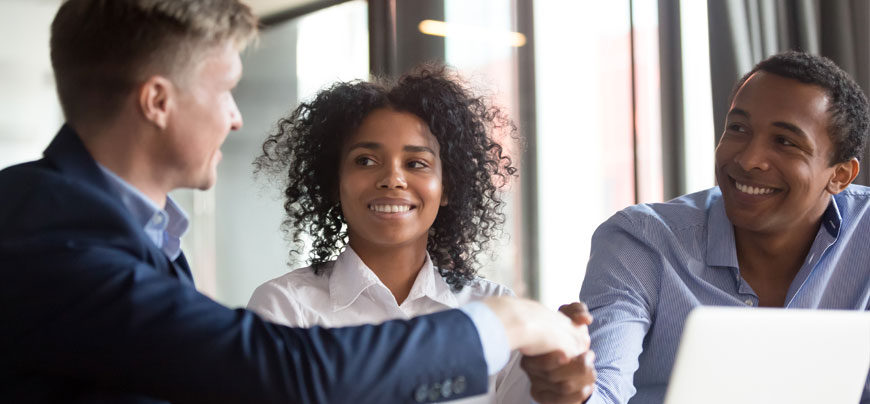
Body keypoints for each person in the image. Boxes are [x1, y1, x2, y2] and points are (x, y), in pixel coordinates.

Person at [0, 1, 591, 403]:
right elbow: (284, 371)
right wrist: (504, 322)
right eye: (227, 89)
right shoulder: (52, 237)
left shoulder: (124, 230)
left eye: (417, 162)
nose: (235, 119)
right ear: (157, 101)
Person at [522, 51, 870, 404]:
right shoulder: (640, 241)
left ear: (840, 175)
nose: (748, 159)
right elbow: (603, 390)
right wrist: (574, 393)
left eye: (785, 142)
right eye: (738, 129)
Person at [248, 66, 532, 403]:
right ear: (334, 182)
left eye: (416, 164)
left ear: (447, 188)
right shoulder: (285, 309)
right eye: (366, 161)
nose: (392, 179)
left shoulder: (492, 308)